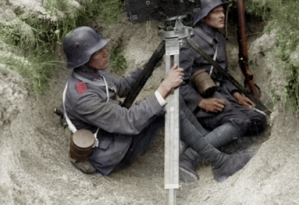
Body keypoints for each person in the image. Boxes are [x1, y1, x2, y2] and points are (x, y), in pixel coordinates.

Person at [61, 26, 254, 182]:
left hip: (114, 136)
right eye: (98, 51)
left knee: (172, 99)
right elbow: (128, 121)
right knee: (166, 104)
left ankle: (209, 150)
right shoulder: (82, 95)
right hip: (106, 156)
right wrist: (164, 87)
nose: (105, 52)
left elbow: (124, 86)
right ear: (84, 59)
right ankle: (220, 162)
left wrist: (150, 64)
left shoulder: (92, 76)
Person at [178, 0, 267, 176]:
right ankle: (189, 156)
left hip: (220, 97)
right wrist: (200, 102)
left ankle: (220, 145)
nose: (222, 15)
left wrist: (236, 94)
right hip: (200, 106)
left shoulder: (218, 39)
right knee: (241, 121)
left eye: (222, 11)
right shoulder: (189, 43)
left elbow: (222, 75)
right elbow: (178, 83)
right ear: (203, 17)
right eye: (216, 11)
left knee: (259, 120)